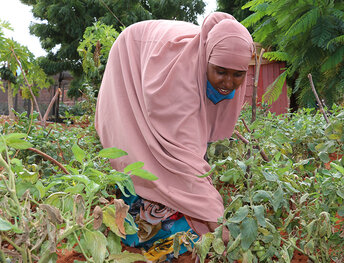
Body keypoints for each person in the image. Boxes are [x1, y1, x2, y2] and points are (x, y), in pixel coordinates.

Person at [95, 12, 254, 262]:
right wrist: (220, 221)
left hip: (157, 57)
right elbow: (186, 164)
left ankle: (165, 215)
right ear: (206, 60)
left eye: (238, 74)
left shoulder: (208, 57)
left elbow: (193, 141)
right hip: (131, 57)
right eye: (221, 72)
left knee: (175, 169)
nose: (229, 82)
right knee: (149, 153)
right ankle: (139, 232)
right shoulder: (182, 87)